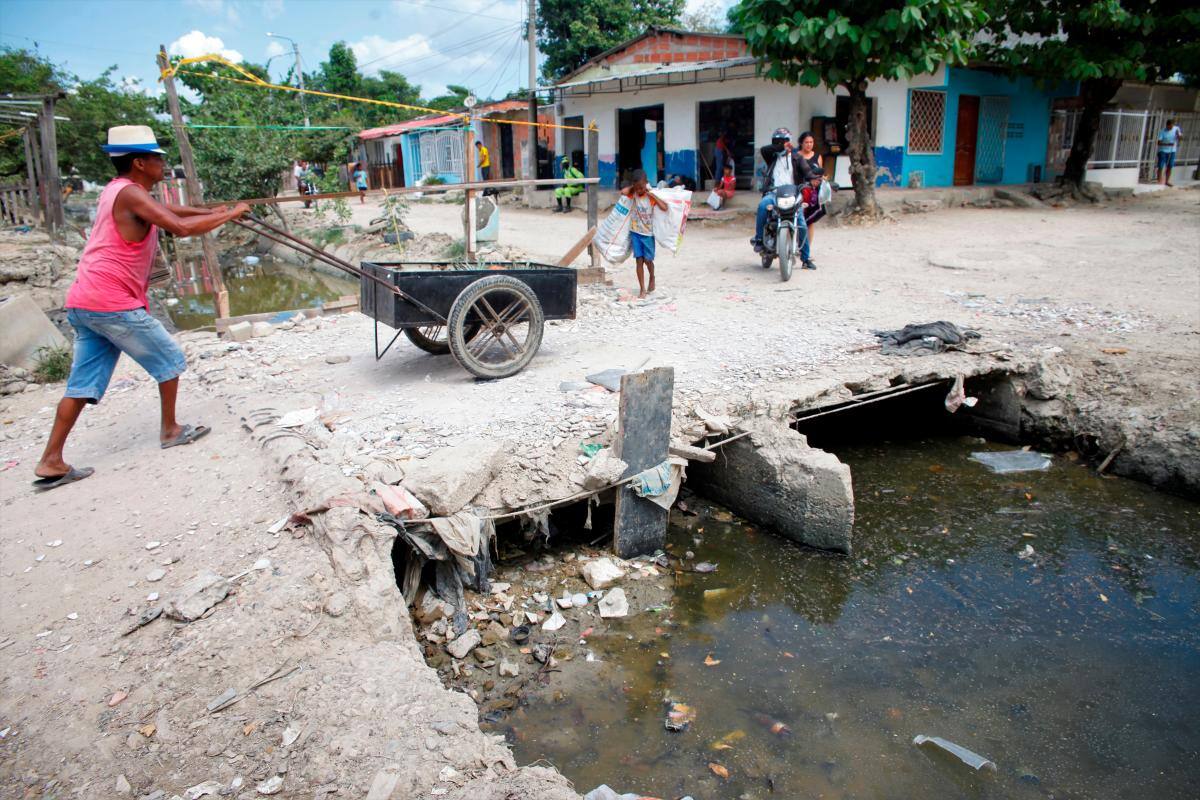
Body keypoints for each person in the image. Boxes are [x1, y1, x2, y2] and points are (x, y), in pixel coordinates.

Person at [32, 125, 250, 490]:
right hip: (110, 301)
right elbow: (179, 227)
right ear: (139, 163)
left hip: (84, 301)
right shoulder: (131, 194)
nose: (162, 162)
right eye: (156, 157)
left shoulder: (119, 191)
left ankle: (51, 460)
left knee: (81, 384)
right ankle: (171, 430)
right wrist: (229, 215)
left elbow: (168, 210)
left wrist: (213, 209)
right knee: (169, 360)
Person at [752, 127, 813, 261]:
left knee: (802, 223)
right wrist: (780, 148)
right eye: (778, 141)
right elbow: (764, 149)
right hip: (773, 194)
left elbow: (808, 172)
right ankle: (759, 239)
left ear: (790, 142)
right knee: (762, 206)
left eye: (785, 141)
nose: (782, 143)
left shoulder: (797, 158)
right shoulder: (772, 157)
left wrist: (815, 179)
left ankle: (806, 258)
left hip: (793, 195)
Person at [623, 169, 668, 299]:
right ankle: (642, 289)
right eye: (637, 188)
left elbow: (664, 207)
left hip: (648, 234)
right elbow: (623, 192)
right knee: (639, 260)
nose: (639, 191)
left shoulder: (650, 197)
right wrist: (633, 188)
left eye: (641, 188)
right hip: (635, 232)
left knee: (648, 260)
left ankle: (652, 276)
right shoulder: (634, 193)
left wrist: (652, 194)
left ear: (646, 184)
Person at [799, 167, 826, 269]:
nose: (818, 181)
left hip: (807, 205)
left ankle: (805, 256)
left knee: (806, 224)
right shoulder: (797, 159)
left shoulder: (813, 188)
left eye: (819, 179)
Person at [1155, 118, 1183, 186]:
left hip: (1172, 151)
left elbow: (1181, 139)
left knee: (1170, 166)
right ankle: (1159, 180)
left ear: (1173, 125)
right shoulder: (1162, 131)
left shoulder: (1176, 129)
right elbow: (1158, 143)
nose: (1170, 128)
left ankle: (1167, 181)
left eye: (1171, 127)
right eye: (1168, 127)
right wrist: (1168, 144)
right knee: (1161, 166)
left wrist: (1178, 135)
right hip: (1163, 151)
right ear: (1166, 125)